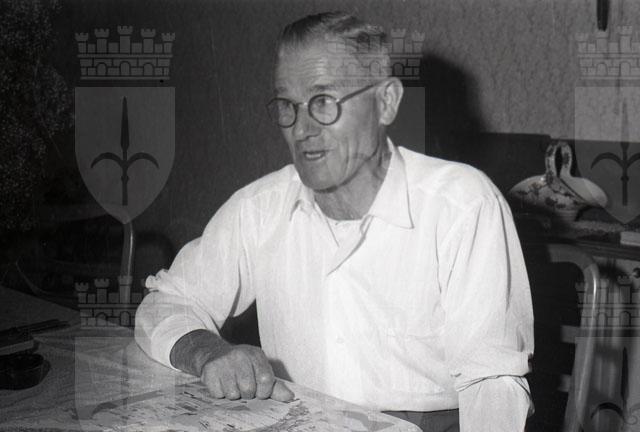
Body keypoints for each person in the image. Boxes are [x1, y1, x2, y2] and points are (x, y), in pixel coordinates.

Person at [135, 11, 534, 432]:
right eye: (287, 106)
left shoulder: (461, 206)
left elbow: (493, 384)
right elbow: (167, 303)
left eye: (323, 101)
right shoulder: (260, 208)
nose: (301, 129)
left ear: (386, 102)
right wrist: (209, 352)